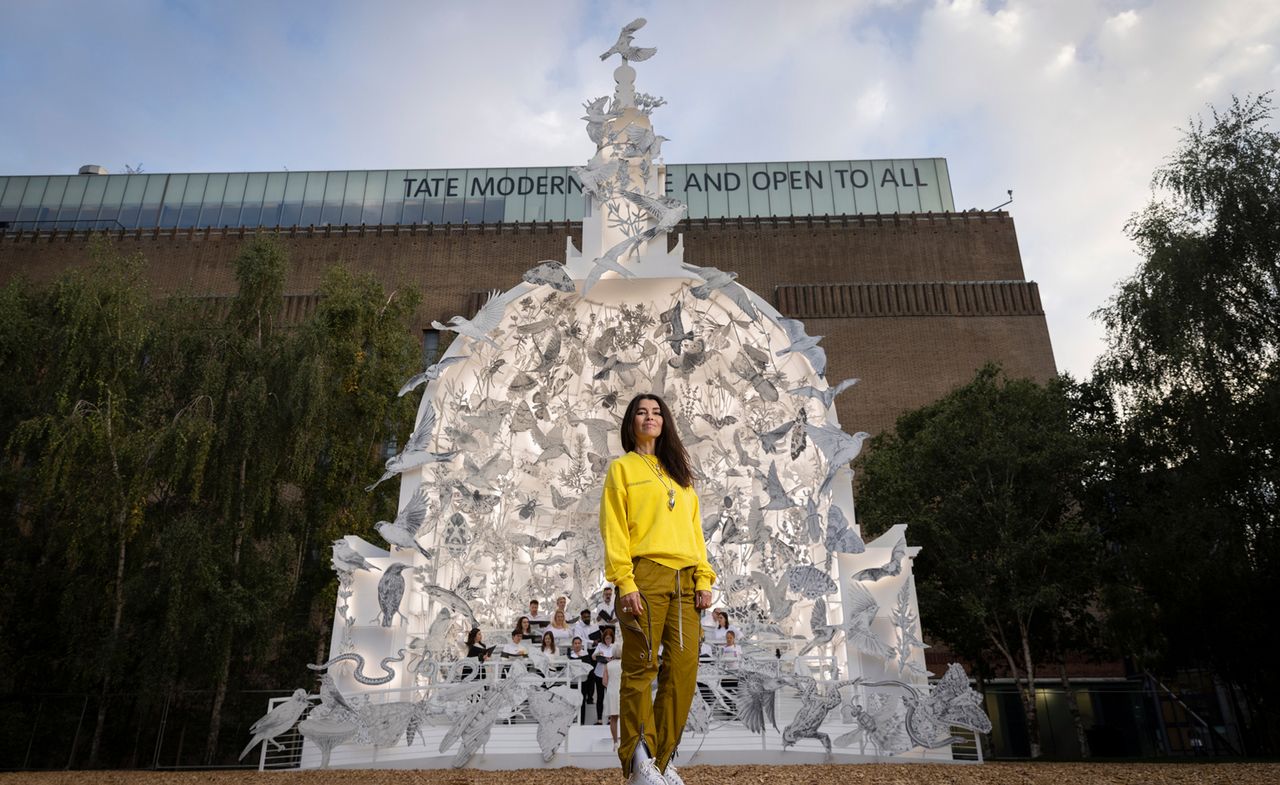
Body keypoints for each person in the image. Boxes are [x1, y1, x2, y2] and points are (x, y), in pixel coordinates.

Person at [599, 394, 716, 785]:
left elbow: (695, 533)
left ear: (665, 422)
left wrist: (704, 577)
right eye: (641, 412)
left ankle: (660, 763)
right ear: (631, 422)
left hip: (686, 581)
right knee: (640, 668)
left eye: (656, 413)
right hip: (644, 575)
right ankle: (638, 759)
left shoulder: (681, 476)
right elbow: (614, 528)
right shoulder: (622, 468)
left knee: (682, 672)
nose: (649, 418)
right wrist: (624, 580)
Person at [589, 625, 616, 725]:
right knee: (600, 697)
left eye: (609, 638)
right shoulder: (600, 645)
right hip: (600, 673)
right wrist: (598, 654)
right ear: (604, 638)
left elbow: (618, 657)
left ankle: (610, 718)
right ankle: (599, 719)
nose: (608, 640)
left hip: (611, 674)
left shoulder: (614, 646)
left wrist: (612, 659)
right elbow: (593, 657)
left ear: (612, 638)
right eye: (606, 638)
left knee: (610, 697)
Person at [603, 631, 623, 750]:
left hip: (611, 692)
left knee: (613, 719)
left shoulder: (608, 665)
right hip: (622, 692)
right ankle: (625, 741)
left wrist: (611, 685)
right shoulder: (625, 665)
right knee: (624, 718)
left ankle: (615, 742)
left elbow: (604, 682)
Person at [568, 637, 593, 725]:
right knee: (572, 701)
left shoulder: (585, 655)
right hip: (573, 682)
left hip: (583, 682)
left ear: (581, 644)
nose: (577, 645)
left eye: (579, 643)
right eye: (575, 643)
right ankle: (572, 721)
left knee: (581, 701)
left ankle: (581, 721)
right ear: (572, 645)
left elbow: (589, 668)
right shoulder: (569, 655)